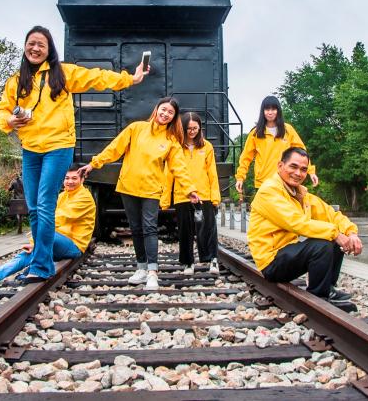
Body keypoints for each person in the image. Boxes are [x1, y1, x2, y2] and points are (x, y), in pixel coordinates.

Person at [0, 25, 147, 283]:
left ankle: (41, 267)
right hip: (31, 148)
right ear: (25, 46)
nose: (35, 48)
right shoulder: (15, 81)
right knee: (33, 206)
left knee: (44, 203)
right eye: (31, 43)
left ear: (48, 49)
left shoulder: (61, 74)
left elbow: (96, 77)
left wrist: (129, 78)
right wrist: (9, 120)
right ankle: (41, 260)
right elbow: (1, 110)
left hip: (58, 145)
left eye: (41, 44)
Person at [79, 97, 199, 291]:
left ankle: (153, 272)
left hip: (151, 190)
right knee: (135, 229)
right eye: (163, 109)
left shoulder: (171, 141)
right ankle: (141, 268)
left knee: (149, 228)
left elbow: (180, 169)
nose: (165, 114)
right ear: (157, 109)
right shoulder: (136, 129)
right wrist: (94, 163)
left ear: (173, 117)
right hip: (128, 187)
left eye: (170, 112)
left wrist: (189, 189)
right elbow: (114, 149)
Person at [247, 147, 362, 307]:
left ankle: (327, 287)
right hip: (271, 261)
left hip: (288, 252)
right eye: (293, 167)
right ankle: (318, 300)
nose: (298, 173)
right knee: (323, 244)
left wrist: (351, 233)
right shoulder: (269, 192)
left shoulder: (300, 194)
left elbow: (331, 214)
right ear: (280, 166)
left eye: (303, 169)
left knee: (332, 237)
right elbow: (296, 222)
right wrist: (335, 234)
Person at [0, 164, 96, 283]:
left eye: (74, 178)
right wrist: (36, 242)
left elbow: (57, 219)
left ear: (82, 179)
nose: (70, 181)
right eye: (67, 178)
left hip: (74, 245)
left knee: (38, 247)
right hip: (58, 240)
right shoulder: (62, 196)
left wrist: (37, 242)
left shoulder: (84, 197)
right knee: (31, 252)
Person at [160, 112, 221, 275]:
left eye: (195, 128)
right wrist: (165, 199)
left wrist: (215, 197)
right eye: (188, 128)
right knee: (185, 230)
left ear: (200, 128)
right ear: (182, 128)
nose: (192, 131)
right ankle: (188, 263)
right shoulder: (175, 147)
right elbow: (169, 174)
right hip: (182, 195)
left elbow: (212, 173)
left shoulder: (207, 147)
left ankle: (212, 260)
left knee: (208, 229)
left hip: (204, 195)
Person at [235, 95, 318, 196]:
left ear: (278, 110)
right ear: (263, 111)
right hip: (263, 182)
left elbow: (302, 153)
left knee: (286, 211)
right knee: (264, 211)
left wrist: (311, 171)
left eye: (273, 109)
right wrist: (240, 177)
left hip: (285, 180)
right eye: (267, 109)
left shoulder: (288, 130)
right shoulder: (255, 133)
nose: (270, 112)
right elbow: (245, 158)